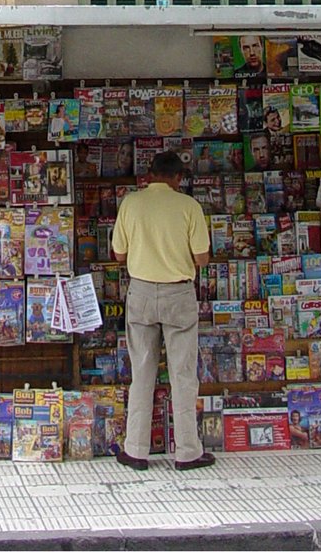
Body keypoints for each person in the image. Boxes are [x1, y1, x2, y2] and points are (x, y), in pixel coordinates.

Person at [111, 151, 214, 472]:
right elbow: (202, 259)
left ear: (149, 174)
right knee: (183, 374)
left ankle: (136, 450)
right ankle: (187, 452)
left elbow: (118, 254)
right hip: (178, 293)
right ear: (178, 178)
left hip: (141, 291)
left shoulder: (131, 203)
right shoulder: (189, 206)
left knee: (141, 372)